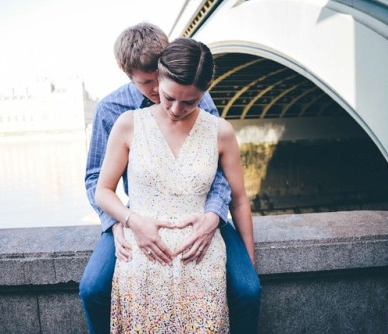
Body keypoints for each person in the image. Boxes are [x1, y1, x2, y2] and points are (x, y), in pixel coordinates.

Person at [80, 22, 261, 333]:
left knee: (247, 289)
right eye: (147, 82)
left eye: (158, 77)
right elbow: (97, 179)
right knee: (93, 288)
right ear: (129, 76)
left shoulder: (193, 94)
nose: (158, 92)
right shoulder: (112, 111)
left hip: (200, 209)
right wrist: (120, 223)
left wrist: (213, 215)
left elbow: (218, 171)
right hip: (136, 213)